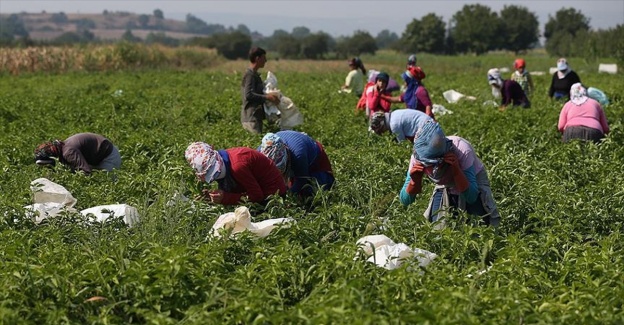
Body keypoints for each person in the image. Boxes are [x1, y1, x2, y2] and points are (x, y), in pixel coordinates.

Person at [398, 121, 500, 227]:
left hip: (473, 182)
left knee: (480, 226)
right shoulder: (418, 157)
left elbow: (472, 196)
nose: (433, 168)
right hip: (445, 185)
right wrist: (414, 181)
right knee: (438, 228)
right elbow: (405, 200)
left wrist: (456, 169)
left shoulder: (461, 149)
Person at [185, 142, 286, 205]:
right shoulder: (225, 160)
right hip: (254, 188)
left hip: (273, 195)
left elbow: (257, 196)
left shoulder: (238, 166)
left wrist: (226, 198)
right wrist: (211, 196)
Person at [259, 131, 334, 198]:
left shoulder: (298, 154)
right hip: (294, 146)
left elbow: (301, 180)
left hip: (314, 156)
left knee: (313, 190)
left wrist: (288, 197)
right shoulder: (259, 154)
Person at [34, 132, 121, 175]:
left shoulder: (68, 152)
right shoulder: (64, 147)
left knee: (105, 183)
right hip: (99, 157)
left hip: (109, 157)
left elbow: (85, 171)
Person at [240, 47, 280, 134]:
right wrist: (267, 97)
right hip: (251, 118)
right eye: (264, 58)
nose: (265, 61)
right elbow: (248, 95)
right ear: (257, 58)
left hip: (256, 117)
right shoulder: (250, 75)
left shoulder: (255, 75)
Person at [369, 109, 434, 143]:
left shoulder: (394, 125)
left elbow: (402, 143)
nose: (383, 132)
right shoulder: (394, 115)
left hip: (426, 127)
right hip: (429, 123)